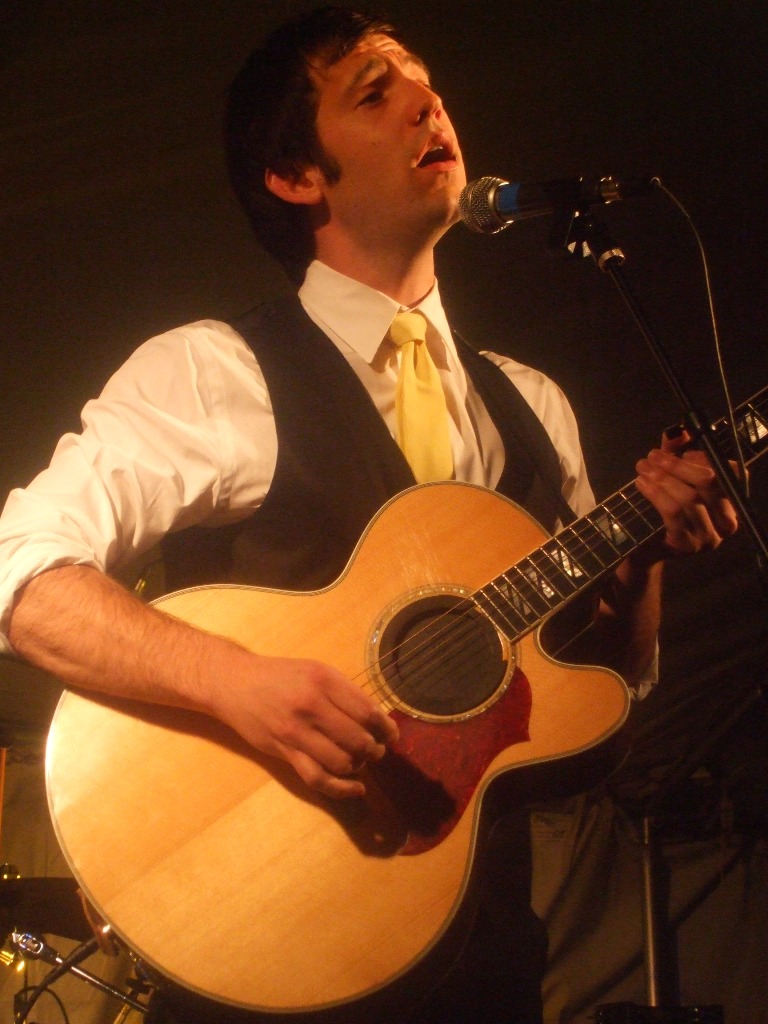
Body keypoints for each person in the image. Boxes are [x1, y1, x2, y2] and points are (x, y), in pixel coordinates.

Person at [0, 7, 738, 1023]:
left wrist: (642, 561)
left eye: (426, 81)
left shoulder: (534, 406)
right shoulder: (215, 372)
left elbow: (596, 706)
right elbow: (23, 571)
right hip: (257, 934)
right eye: (375, 91)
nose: (429, 102)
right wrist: (235, 682)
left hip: (484, 960)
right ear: (294, 175)